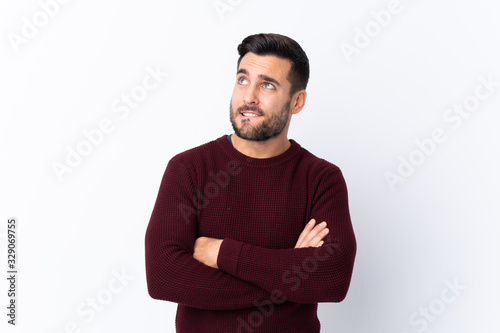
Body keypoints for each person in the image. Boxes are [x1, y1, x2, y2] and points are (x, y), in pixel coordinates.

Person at [145, 33, 356, 333]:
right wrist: (290, 280)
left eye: (267, 85)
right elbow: (164, 276)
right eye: (243, 80)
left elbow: (332, 278)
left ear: (297, 101)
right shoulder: (188, 169)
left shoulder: (321, 178)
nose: (249, 97)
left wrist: (221, 253)